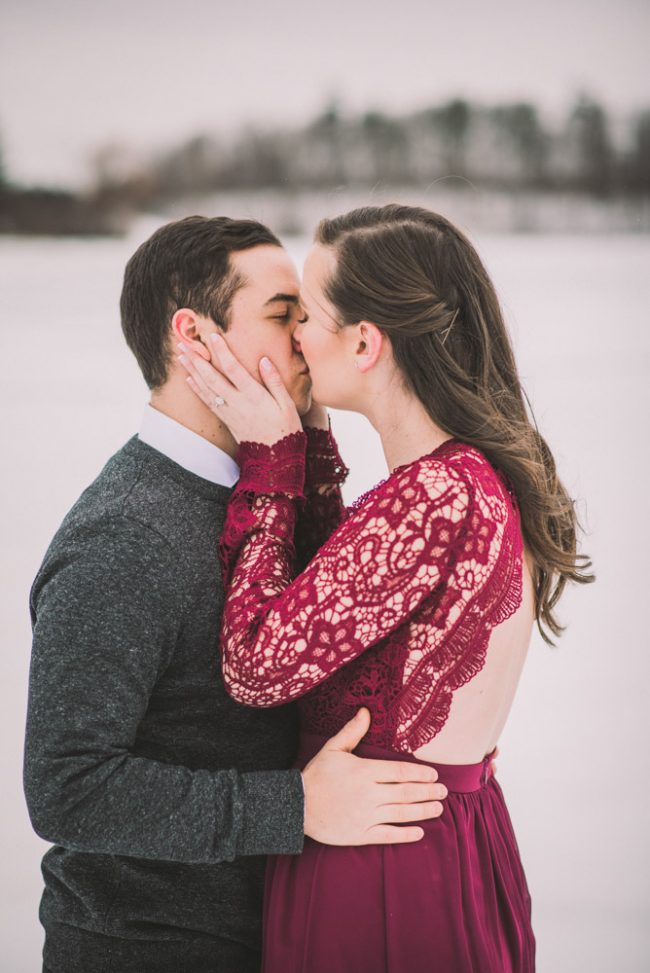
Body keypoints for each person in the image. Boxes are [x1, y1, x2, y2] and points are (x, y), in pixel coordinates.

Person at [23, 215, 452, 973]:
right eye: (285, 315)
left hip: (282, 931)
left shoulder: (265, 492)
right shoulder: (124, 537)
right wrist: (293, 807)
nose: (307, 338)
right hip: (147, 949)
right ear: (193, 337)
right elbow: (67, 786)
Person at [178, 204, 595, 972]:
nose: (295, 333)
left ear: (365, 341)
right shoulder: (468, 475)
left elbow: (256, 663)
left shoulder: (435, 494)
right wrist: (315, 446)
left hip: (383, 871)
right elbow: (350, 601)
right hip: (439, 843)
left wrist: (273, 465)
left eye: (308, 313)